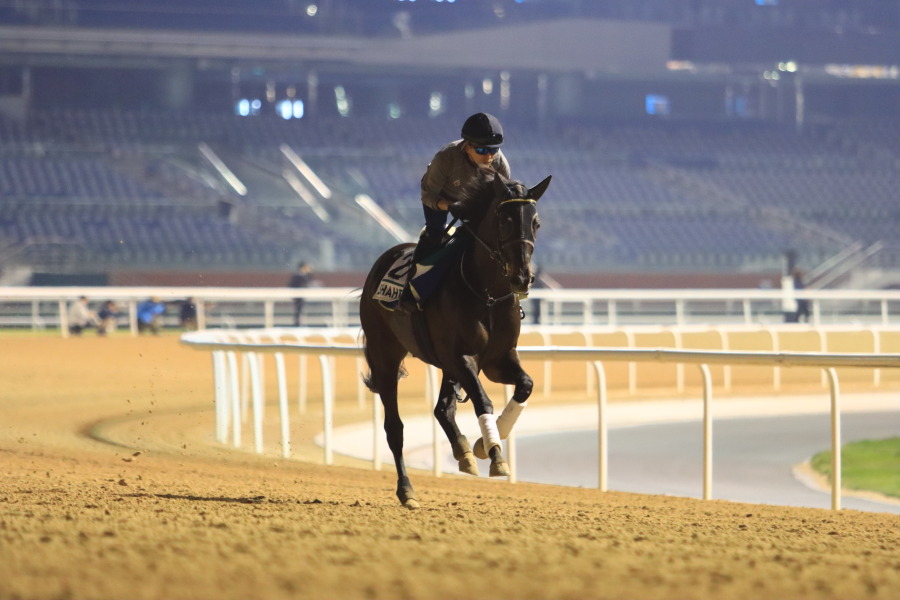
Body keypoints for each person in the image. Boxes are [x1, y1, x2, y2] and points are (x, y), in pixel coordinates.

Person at [397, 112, 511, 313]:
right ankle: (409, 291)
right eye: (482, 150)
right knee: (435, 233)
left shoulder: (500, 164)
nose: (489, 157)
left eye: (493, 150)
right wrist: (449, 206)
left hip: (475, 202)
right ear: (467, 146)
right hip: (440, 197)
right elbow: (428, 196)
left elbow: (501, 202)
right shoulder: (445, 157)